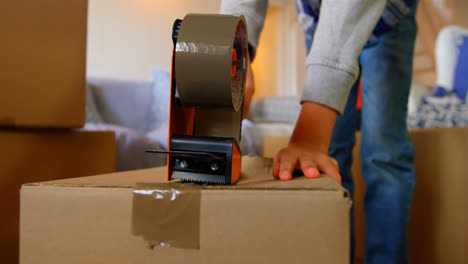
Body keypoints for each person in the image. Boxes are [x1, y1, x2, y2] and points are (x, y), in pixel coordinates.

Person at [221, 1, 418, 264]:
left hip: (389, 20)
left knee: (385, 155)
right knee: (329, 155)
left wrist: (309, 136)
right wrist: (236, 43)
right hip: (321, 21)